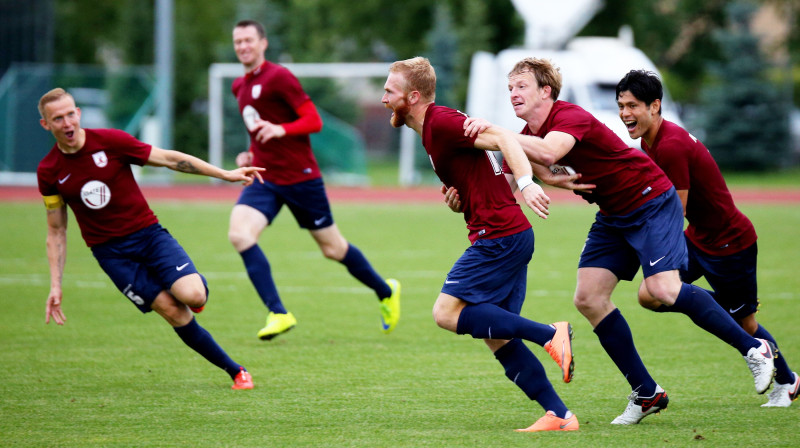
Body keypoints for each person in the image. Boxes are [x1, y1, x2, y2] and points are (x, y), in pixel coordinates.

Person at [462, 57, 777, 424]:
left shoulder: (568, 116)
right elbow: (512, 181)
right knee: (588, 298)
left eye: (521, 86)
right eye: (510, 87)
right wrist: (463, 196)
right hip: (613, 215)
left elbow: (549, 153)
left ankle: (754, 348)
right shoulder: (525, 134)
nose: (513, 93)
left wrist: (500, 135)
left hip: (651, 200)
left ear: (545, 91)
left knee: (663, 289)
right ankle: (646, 392)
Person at [382, 56, 579, 433]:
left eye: (390, 91)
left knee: (445, 313)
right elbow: (479, 177)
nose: (383, 99)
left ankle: (549, 333)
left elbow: (505, 137)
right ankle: (560, 415)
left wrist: (528, 183)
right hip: (506, 232)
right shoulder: (431, 130)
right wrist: (461, 201)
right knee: (498, 337)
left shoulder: (440, 122)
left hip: (500, 235)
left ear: (414, 95)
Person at [37, 88, 262, 390]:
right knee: (172, 311)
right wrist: (55, 284)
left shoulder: (112, 141)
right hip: (112, 255)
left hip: (149, 236)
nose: (66, 123)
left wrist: (225, 174)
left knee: (194, 296)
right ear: (46, 125)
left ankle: (193, 292)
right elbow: (56, 230)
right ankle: (237, 372)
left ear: (78, 113)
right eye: (57, 118)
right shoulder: (49, 171)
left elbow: (169, 159)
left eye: (69, 114)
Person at [616, 69, 799, 408]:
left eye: (633, 105)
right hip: (698, 238)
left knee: (746, 324)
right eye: (621, 105)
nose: (625, 113)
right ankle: (714, 307)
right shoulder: (648, 139)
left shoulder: (670, 145)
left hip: (731, 243)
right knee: (650, 294)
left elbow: (674, 210)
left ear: (655, 106)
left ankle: (788, 381)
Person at [228, 19, 400, 340]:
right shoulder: (239, 87)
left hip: (300, 178)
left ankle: (385, 291)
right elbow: (257, 130)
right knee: (240, 234)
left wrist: (282, 130)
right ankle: (278, 313)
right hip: (265, 177)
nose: (243, 47)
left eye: (249, 40)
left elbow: (313, 120)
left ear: (263, 43)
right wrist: (249, 154)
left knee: (333, 249)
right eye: (238, 41)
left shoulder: (279, 77)